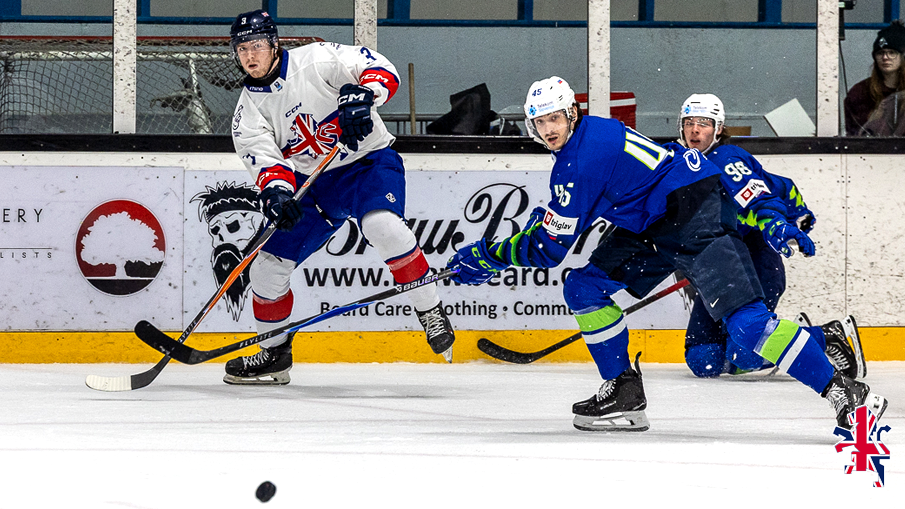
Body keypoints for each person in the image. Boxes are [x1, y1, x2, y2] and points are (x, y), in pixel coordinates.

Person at [446, 76, 887, 432]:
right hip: (654, 223)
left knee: (749, 327)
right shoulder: (591, 135)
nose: (549, 129)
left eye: (555, 118)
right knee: (584, 287)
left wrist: (487, 258)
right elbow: (565, 222)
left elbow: (548, 248)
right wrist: (525, 237)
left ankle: (845, 392)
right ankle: (623, 390)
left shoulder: (578, 163)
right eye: (540, 121)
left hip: (693, 213)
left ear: (571, 114)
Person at [225, 10, 455, 385]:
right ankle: (274, 353)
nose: (250, 55)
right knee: (265, 270)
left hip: (366, 164)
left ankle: (430, 311)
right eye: (242, 49)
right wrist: (278, 194)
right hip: (312, 184)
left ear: (275, 43)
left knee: (383, 226)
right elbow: (267, 162)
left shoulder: (316, 59)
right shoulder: (247, 113)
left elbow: (378, 68)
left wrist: (364, 95)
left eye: (257, 46)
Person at [676, 94, 866, 381]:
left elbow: (759, 201)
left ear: (718, 128)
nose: (695, 130)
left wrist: (778, 225)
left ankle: (826, 336)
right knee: (703, 360)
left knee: (746, 355)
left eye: (704, 123)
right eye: (689, 122)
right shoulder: (681, 165)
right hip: (718, 270)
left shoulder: (726, 160)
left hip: (754, 264)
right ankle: (788, 337)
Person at [844, 20, 905, 136]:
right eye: (880, 53)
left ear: (903, 56)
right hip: (870, 147)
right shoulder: (859, 93)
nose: (885, 57)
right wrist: (876, 117)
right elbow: (854, 136)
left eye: (892, 52)